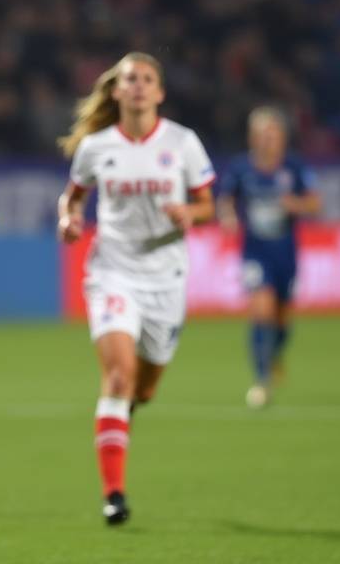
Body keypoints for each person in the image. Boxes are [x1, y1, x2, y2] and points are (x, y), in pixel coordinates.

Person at [56, 52, 215, 525]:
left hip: (165, 279)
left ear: (159, 92)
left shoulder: (183, 143)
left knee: (142, 391)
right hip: (112, 273)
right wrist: (70, 217)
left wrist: (191, 214)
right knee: (119, 378)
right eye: (131, 79)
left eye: (147, 79)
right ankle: (114, 494)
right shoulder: (97, 147)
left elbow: (208, 204)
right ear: (118, 91)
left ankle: (122, 417)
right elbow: (74, 194)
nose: (139, 86)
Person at [216, 106, 320, 409]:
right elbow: (226, 199)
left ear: (283, 139)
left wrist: (296, 205)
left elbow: (315, 203)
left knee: (282, 318)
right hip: (255, 252)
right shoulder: (241, 168)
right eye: (262, 135)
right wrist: (227, 217)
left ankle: (274, 355)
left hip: (285, 253)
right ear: (252, 138)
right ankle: (262, 381)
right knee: (261, 310)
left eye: (273, 135)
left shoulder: (295, 168)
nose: (267, 141)